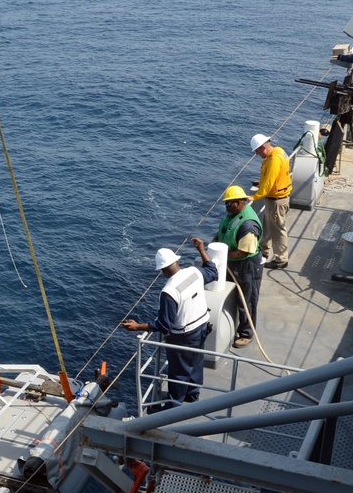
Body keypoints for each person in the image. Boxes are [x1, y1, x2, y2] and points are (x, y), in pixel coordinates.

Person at [122, 238, 218, 406]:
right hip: (202, 327)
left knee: (179, 372)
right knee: (195, 363)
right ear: (177, 261)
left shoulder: (169, 291)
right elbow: (212, 271)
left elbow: (164, 325)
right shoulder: (194, 272)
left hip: (184, 337)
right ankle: (192, 395)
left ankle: (174, 407)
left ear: (162, 271)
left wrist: (138, 326)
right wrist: (202, 250)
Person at [215, 185, 264, 347]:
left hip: (246, 266)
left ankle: (246, 333)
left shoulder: (248, 225)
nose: (226, 207)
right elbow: (222, 231)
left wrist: (221, 255)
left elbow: (242, 252)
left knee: (247, 300)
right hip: (231, 263)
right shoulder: (233, 214)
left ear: (238, 202)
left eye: (229, 203)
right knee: (232, 295)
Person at [249, 133, 293, 268]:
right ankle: (264, 252)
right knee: (267, 226)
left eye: (256, 151)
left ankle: (281, 259)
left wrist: (254, 197)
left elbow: (269, 182)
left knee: (277, 230)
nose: (256, 154)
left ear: (262, 147)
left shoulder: (274, 159)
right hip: (279, 198)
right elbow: (275, 175)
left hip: (276, 201)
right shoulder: (279, 151)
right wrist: (261, 182)